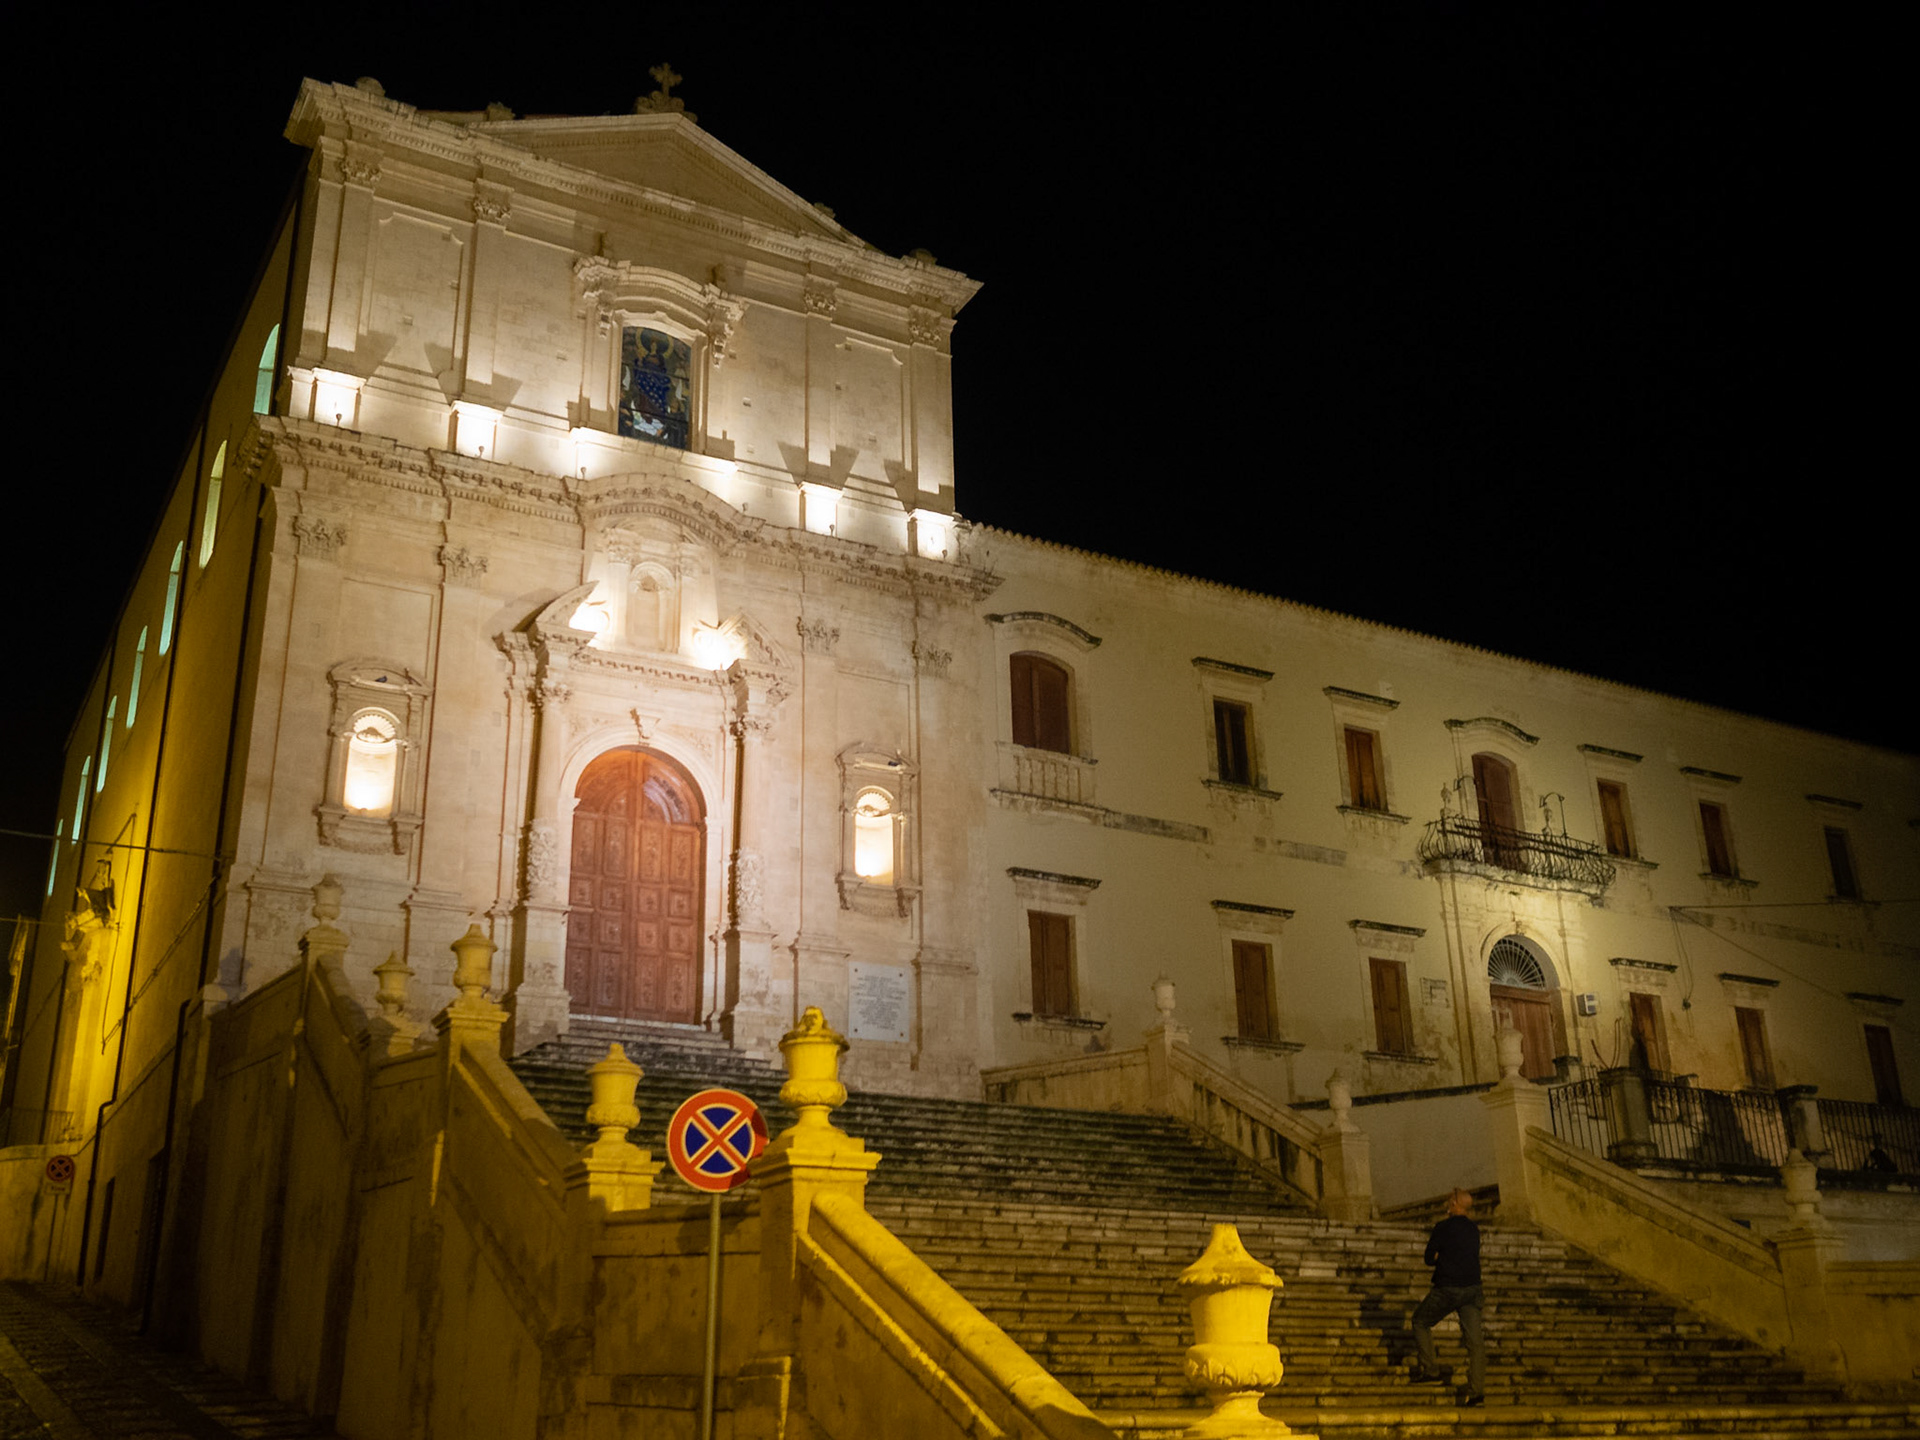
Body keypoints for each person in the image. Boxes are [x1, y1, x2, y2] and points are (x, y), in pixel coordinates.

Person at [1409, 1187, 1486, 1407]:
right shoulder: (1473, 1229)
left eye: (1449, 1200)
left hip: (1448, 1287)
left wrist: (1440, 1258)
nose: (1447, 1202)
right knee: (1476, 1343)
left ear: (1454, 1204)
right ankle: (1477, 1392)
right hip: (1472, 1288)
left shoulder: (1443, 1227)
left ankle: (1431, 1369)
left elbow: (1428, 1258)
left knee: (1420, 1321)